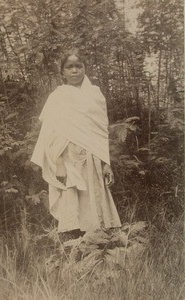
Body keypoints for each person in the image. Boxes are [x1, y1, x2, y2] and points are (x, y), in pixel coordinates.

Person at [31, 48, 121, 241]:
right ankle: (72, 244)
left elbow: (100, 131)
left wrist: (106, 163)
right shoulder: (58, 97)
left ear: (85, 68)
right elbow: (52, 132)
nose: (74, 71)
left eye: (78, 66)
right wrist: (59, 162)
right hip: (67, 154)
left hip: (93, 155)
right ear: (62, 72)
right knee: (72, 197)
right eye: (69, 67)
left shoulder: (95, 95)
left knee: (94, 198)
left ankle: (97, 242)